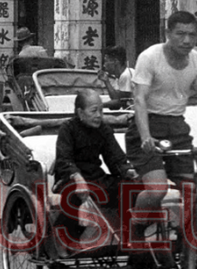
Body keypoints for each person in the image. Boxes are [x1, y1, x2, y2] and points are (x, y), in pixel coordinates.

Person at [127, 11, 197, 247]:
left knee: (193, 194)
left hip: (177, 128)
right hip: (147, 126)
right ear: (168, 34)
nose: (187, 40)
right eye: (180, 34)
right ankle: (136, 226)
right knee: (157, 190)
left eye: (192, 35)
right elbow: (139, 99)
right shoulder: (149, 57)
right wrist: (145, 136)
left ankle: (188, 256)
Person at [52, 88, 138, 252]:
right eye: (94, 111)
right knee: (74, 193)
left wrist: (129, 171)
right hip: (70, 178)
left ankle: (126, 235)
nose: (99, 115)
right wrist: (78, 179)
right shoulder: (67, 129)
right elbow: (64, 160)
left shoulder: (104, 130)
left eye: (101, 110)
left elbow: (116, 159)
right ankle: (67, 238)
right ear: (80, 112)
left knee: (130, 187)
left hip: (95, 178)